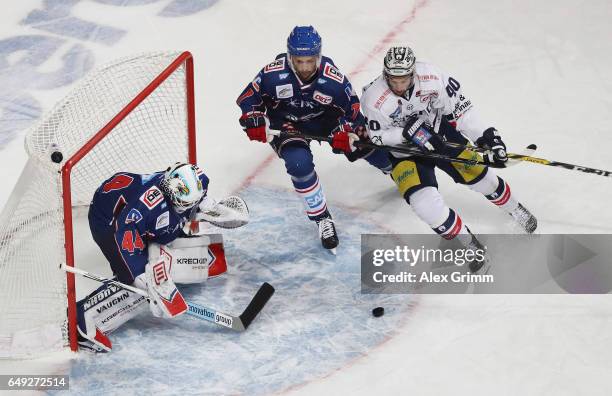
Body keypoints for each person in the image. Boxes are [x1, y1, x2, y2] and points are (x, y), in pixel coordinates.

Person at [360, 46, 537, 272]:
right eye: (393, 79)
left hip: (439, 134)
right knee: (424, 205)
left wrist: (487, 136)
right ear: (386, 75)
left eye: (403, 79)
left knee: (482, 178)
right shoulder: (373, 98)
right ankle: (469, 244)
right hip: (404, 152)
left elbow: (462, 111)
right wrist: (407, 133)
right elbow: (377, 137)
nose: (398, 85)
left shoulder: (432, 77)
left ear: (413, 73)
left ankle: (515, 208)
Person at [236, 25, 391, 253]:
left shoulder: (333, 79)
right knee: (299, 164)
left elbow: (353, 109)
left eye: (310, 61)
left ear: (318, 56)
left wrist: (344, 130)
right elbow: (249, 98)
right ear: (290, 57)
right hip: (286, 123)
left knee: (359, 141)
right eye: (299, 61)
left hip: (324, 120)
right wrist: (254, 119)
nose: (306, 67)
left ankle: (393, 167)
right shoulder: (272, 74)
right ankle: (322, 218)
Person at [77, 163, 247, 352]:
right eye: (183, 203)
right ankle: (83, 322)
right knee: (137, 283)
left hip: (134, 213)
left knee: (172, 245)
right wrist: (139, 276)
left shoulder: (195, 178)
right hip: (109, 224)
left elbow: (193, 200)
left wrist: (209, 207)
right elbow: (124, 236)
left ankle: (156, 268)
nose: (185, 208)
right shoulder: (144, 207)